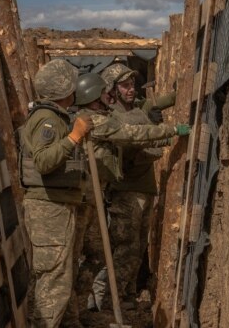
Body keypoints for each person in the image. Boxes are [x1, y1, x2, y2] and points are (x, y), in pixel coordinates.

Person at [71, 71, 187, 313]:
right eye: (123, 85)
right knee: (116, 247)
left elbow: (163, 102)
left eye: (132, 83)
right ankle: (97, 302)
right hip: (112, 192)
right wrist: (171, 130)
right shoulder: (102, 118)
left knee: (118, 249)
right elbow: (132, 135)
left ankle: (105, 301)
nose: (130, 89)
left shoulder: (132, 109)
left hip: (106, 192)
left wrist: (180, 91)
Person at [19, 59, 93, 328]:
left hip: (56, 206)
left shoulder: (54, 116)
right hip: (50, 209)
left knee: (57, 276)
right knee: (54, 282)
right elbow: (44, 161)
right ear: (65, 89)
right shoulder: (47, 120)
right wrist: (74, 136)